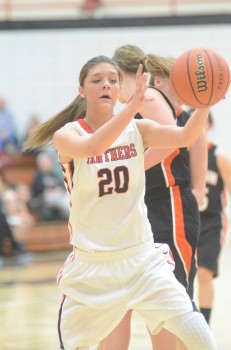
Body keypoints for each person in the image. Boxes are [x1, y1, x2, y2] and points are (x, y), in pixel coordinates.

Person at [23, 55, 216, 350]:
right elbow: (94, 146)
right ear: (81, 90)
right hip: (92, 266)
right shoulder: (69, 134)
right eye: (97, 80)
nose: (106, 86)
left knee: (197, 333)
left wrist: (204, 103)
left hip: (142, 259)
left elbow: (187, 135)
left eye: (113, 81)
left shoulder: (137, 130)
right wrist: (132, 109)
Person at [99, 45, 208, 350]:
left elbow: (174, 139)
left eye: (112, 79)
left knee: (174, 302)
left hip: (169, 203)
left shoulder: (147, 97)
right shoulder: (142, 103)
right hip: (151, 207)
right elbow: (195, 136)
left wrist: (128, 166)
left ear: (124, 74)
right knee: (157, 304)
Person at [196, 111, 231, 325]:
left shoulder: (219, 156)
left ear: (209, 126)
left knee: (204, 275)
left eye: (202, 124)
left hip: (211, 223)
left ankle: (204, 327)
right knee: (182, 279)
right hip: (186, 222)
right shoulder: (182, 156)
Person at [29, 150, 69, 221]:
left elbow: (62, 186)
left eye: (48, 162)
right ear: (40, 164)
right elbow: (40, 191)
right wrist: (50, 191)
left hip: (57, 196)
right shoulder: (38, 177)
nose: (47, 164)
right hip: (42, 200)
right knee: (60, 200)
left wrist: (59, 190)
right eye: (44, 163)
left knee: (67, 197)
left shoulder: (53, 174)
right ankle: (70, 214)